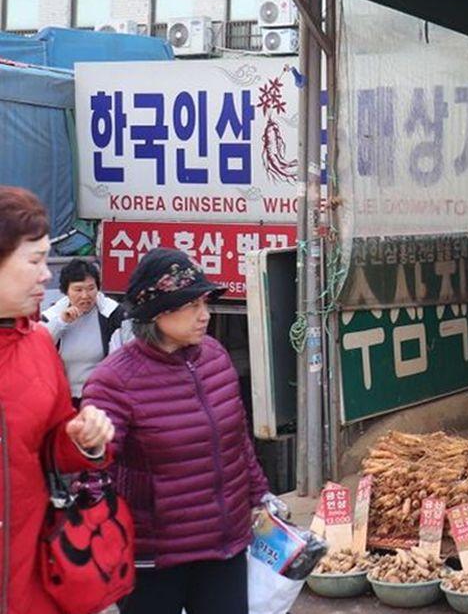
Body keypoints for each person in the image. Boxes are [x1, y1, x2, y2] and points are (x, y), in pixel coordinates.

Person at [84, 248, 279, 614]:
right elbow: (93, 473)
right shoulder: (114, 380)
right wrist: (104, 542)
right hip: (154, 561)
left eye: (204, 303)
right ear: (157, 312)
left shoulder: (215, 357)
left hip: (224, 548)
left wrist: (260, 496)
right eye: (192, 306)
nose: (205, 315)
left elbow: (238, 441)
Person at [0, 186, 115, 614]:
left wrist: (83, 439)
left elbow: (51, 444)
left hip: (28, 581)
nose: (47, 276)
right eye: (34, 261)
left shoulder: (37, 345)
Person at [41, 259, 130, 404]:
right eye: (78, 289)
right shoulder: (52, 316)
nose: (85, 295)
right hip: (63, 399)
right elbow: (39, 346)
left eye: (91, 288)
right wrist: (61, 322)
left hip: (102, 397)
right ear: (66, 291)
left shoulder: (113, 314)